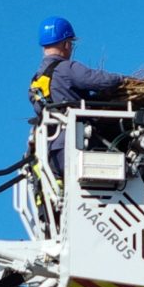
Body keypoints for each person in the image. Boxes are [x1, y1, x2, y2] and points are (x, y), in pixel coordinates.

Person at [29, 16, 125, 178]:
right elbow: (99, 80)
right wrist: (122, 79)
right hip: (76, 145)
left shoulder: (35, 82)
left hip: (50, 153)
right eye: (71, 44)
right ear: (66, 44)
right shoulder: (66, 68)